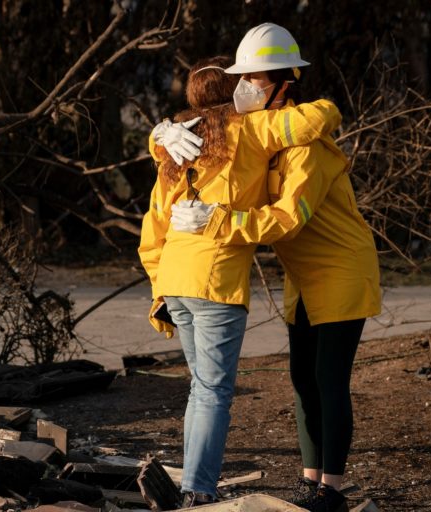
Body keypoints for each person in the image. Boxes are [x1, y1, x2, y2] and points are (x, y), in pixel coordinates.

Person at [169, 23, 381, 512]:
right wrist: (165, 133)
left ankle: (332, 490)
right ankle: (311, 483)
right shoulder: (266, 136)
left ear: (286, 81)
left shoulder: (307, 150)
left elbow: (287, 220)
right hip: (306, 280)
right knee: (302, 379)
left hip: (341, 273)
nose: (248, 86)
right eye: (245, 77)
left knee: (329, 379)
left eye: (258, 78)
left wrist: (218, 220)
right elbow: (216, 144)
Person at [138, 53, 342, 506]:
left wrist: (160, 131)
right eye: (241, 79)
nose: (248, 85)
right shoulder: (247, 130)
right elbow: (321, 117)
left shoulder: (175, 149)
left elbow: (152, 227)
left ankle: (191, 485)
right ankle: (198, 491)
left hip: (175, 277)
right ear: (230, 91)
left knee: (200, 388)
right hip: (216, 280)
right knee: (213, 392)